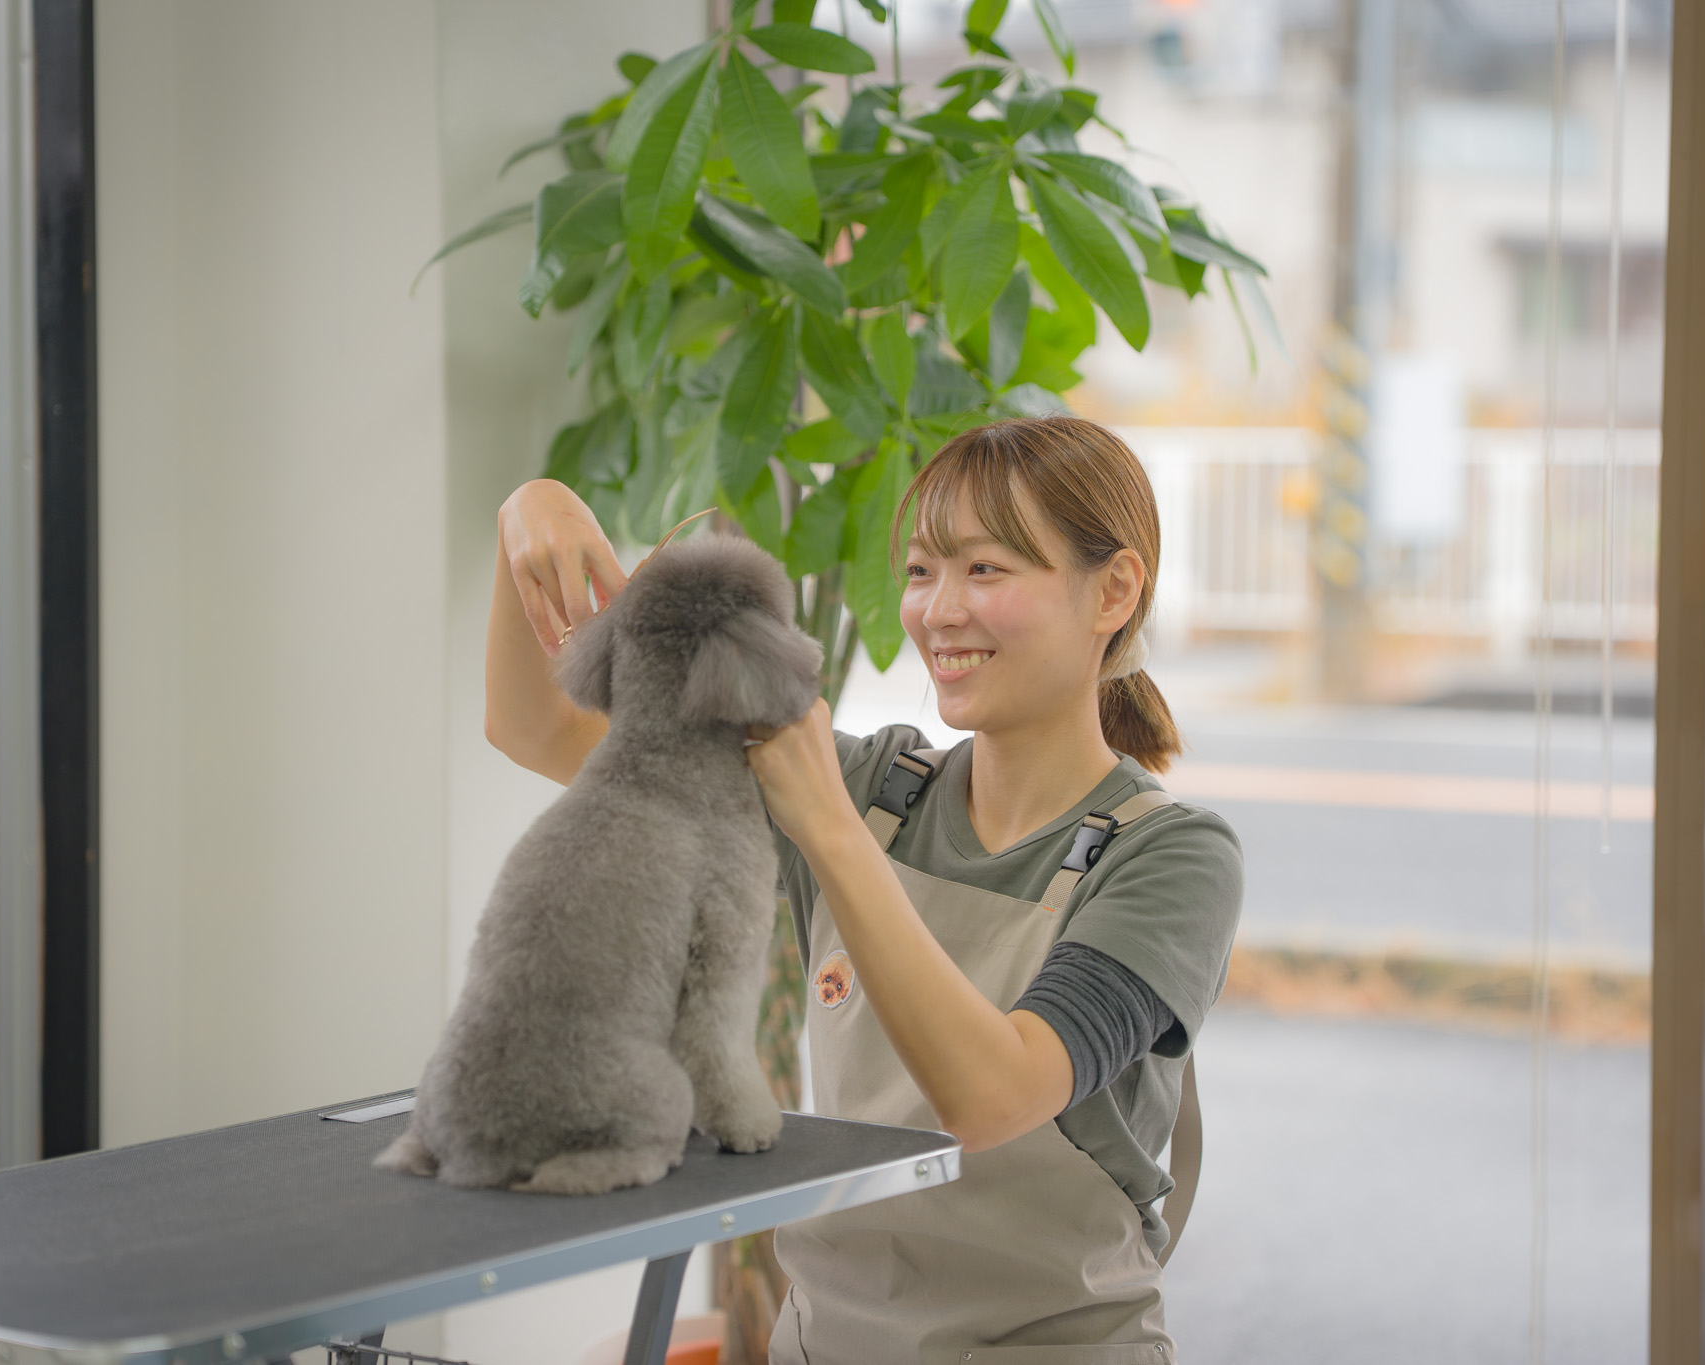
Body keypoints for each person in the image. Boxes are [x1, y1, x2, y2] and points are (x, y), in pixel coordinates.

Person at [486, 415, 1243, 1364]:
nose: (938, 610)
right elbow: (536, 727)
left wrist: (832, 834)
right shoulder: (881, 788)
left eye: (987, 570)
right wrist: (531, 511)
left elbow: (993, 1095)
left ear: (1114, 590)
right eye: (923, 570)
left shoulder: (1171, 856)